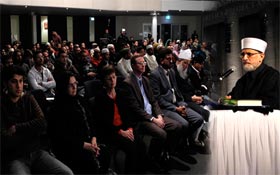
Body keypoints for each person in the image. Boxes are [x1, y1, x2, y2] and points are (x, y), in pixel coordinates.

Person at [1, 65, 73, 175]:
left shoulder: (29, 98)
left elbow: (42, 123)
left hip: (36, 152)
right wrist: (31, 130)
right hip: (15, 157)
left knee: (67, 173)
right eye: (14, 82)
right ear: (5, 84)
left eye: (20, 81)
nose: (19, 86)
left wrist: (17, 128)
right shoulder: (2, 105)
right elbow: (5, 138)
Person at [118, 55, 184, 173]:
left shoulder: (145, 79)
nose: (143, 65)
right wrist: (154, 119)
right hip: (141, 119)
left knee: (177, 126)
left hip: (153, 115)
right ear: (133, 66)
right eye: (140, 63)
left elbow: (153, 101)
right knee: (161, 134)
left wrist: (159, 115)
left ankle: (162, 153)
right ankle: (152, 159)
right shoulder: (127, 83)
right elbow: (136, 109)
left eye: (144, 62)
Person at [48, 71, 113, 174]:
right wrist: (84, 145)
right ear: (63, 87)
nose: (74, 87)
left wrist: (94, 138)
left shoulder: (80, 100)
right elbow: (62, 137)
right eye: (70, 85)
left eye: (76, 83)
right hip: (72, 147)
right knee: (89, 162)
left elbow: (91, 121)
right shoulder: (57, 108)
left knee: (105, 153)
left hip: (89, 142)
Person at [93, 65, 146, 174]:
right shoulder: (100, 97)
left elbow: (128, 114)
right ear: (104, 81)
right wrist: (120, 132)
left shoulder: (121, 93)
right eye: (109, 78)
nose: (112, 81)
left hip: (125, 127)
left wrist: (130, 128)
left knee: (141, 145)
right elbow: (103, 122)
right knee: (132, 149)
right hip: (111, 131)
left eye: (114, 77)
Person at [149, 48, 205, 148]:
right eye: (168, 59)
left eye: (171, 58)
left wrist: (182, 104)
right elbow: (158, 99)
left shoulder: (171, 72)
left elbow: (177, 91)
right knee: (184, 124)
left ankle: (184, 140)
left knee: (199, 119)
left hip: (177, 104)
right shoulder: (155, 75)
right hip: (165, 108)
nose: (171, 61)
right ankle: (176, 146)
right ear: (161, 60)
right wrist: (176, 108)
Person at [226, 37, 280, 109]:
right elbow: (232, 98)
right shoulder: (242, 80)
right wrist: (227, 100)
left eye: (249, 54)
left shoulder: (273, 76)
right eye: (242, 54)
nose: (244, 58)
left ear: (261, 57)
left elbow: (270, 103)